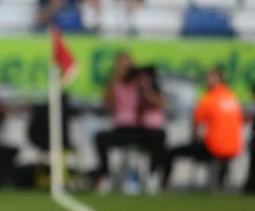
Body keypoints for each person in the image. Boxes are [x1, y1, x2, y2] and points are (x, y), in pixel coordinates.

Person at [90, 52, 166, 190]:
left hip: (143, 128)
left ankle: (152, 175)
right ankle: (106, 175)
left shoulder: (144, 81)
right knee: (100, 137)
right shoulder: (115, 83)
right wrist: (114, 79)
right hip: (123, 129)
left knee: (159, 136)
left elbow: (159, 103)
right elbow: (106, 103)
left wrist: (143, 88)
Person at [162, 68, 243, 190]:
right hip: (234, 148)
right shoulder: (232, 97)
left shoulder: (209, 99)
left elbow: (196, 124)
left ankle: (162, 185)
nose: (206, 81)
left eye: (208, 78)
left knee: (171, 152)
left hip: (214, 147)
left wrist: (194, 138)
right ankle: (221, 182)